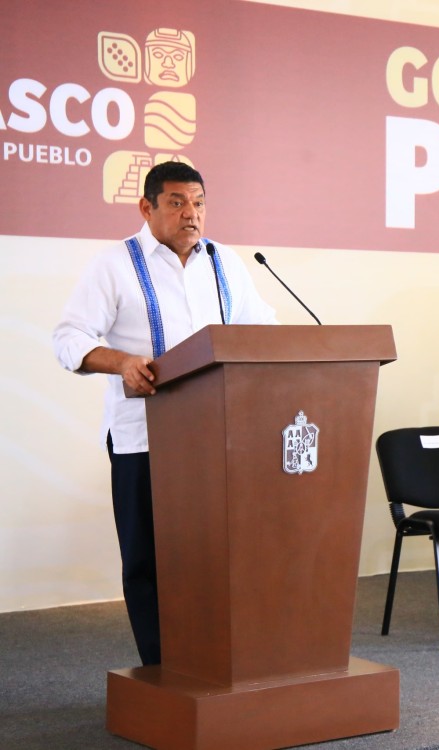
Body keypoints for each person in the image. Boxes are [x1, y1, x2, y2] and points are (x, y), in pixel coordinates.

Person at [53, 161, 277, 664]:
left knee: (216, 556)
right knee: (149, 561)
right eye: (176, 202)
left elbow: (262, 329)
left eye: (198, 203)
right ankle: (163, 670)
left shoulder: (226, 263)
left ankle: (219, 661)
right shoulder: (114, 265)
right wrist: (123, 362)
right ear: (147, 207)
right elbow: (68, 339)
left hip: (221, 438)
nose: (191, 214)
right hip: (143, 440)